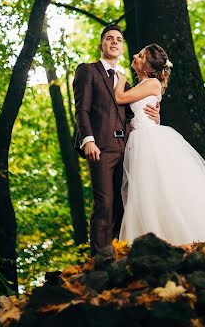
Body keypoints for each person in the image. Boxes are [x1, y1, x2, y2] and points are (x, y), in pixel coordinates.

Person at [115, 43, 205, 250]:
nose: (135, 56)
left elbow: (120, 98)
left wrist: (119, 79)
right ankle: (156, 237)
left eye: (140, 55)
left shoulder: (152, 83)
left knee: (157, 188)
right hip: (139, 138)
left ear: (147, 66)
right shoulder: (141, 85)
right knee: (148, 191)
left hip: (149, 141)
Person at [73, 25, 160, 256]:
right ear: (101, 45)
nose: (114, 42)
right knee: (105, 203)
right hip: (100, 146)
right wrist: (88, 140)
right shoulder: (87, 71)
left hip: (128, 149)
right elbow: (81, 109)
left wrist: (156, 117)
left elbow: (134, 115)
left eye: (119, 39)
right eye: (109, 38)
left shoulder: (127, 83)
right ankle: (99, 259)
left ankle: (118, 254)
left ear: (122, 47)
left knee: (124, 203)